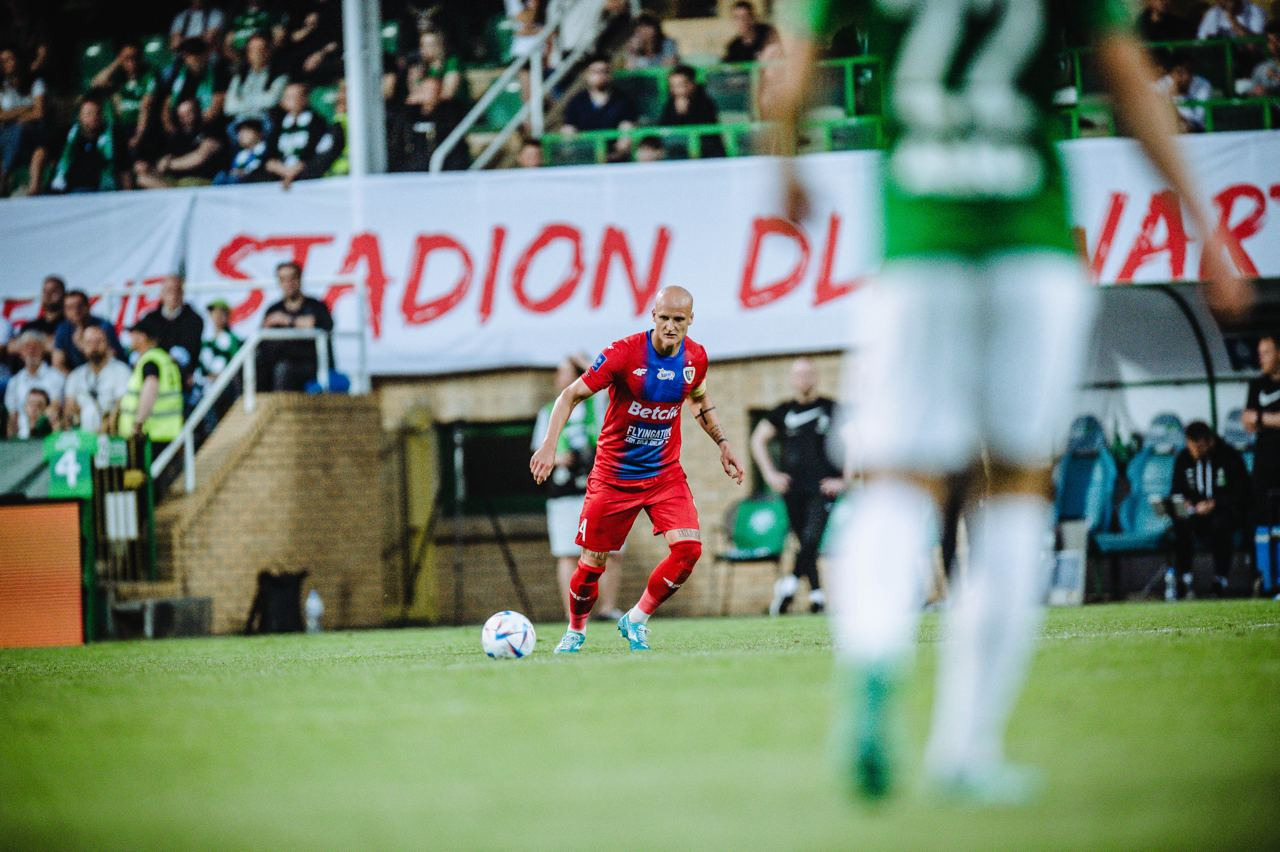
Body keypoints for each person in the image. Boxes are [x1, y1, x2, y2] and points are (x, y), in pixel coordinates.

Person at [775, 0, 1251, 803]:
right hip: (1031, 246)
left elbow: (788, 79)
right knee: (1016, 489)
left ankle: (874, 664)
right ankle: (965, 749)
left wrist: (785, 168)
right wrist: (1203, 223)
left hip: (920, 246)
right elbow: (1128, 81)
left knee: (896, 480)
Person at [530, 286, 745, 654]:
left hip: (664, 474)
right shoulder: (623, 354)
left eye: (679, 319)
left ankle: (636, 619)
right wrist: (549, 445)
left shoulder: (695, 358)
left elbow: (698, 400)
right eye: (665, 318)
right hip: (613, 476)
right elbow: (570, 395)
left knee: (689, 550)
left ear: (691, 320)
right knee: (592, 564)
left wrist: (723, 443)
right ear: (653, 316)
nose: (671, 326)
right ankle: (576, 629)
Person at [533, 354, 625, 623]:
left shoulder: (598, 404)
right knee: (567, 553)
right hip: (564, 492)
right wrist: (559, 458)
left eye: (564, 371)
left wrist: (586, 365)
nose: (558, 378)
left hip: (600, 488)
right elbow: (538, 452)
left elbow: (613, 386)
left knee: (609, 550)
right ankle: (573, 613)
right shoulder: (548, 411)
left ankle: (608, 608)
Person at [751, 358, 844, 616]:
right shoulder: (783, 411)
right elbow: (758, 440)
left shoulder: (831, 408)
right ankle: (817, 596)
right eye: (799, 374)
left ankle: (789, 585)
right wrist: (770, 474)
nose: (804, 379)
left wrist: (844, 479)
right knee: (804, 542)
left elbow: (855, 441)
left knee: (812, 538)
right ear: (793, 379)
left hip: (823, 488)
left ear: (815, 377)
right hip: (792, 489)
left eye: (808, 373)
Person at [1169, 421, 1249, 599]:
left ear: (1209, 441)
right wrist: (1185, 503)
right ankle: (1184, 579)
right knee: (1179, 524)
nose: (1195, 452)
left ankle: (1220, 580)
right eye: (1191, 446)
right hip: (1195, 514)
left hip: (1222, 512)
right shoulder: (1183, 458)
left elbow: (1242, 492)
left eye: (1199, 447)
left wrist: (1214, 503)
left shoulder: (1229, 457)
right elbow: (1176, 489)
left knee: (1221, 524)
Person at [257, 261, 334, 392]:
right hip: (278, 363)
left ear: (300, 279)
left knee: (283, 370)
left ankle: (281, 404)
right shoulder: (273, 309)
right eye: (283, 279)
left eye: (292, 278)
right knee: (249, 368)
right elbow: (262, 341)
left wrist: (287, 320)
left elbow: (325, 325)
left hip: (310, 365)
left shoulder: (316, 306)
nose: (288, 283)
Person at [1243, 334, 1280, 598]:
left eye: (1266, 352)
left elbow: (1255, 418)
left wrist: (1259, 417)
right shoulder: (1257, 385)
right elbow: (1247, 421)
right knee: (1259, 518)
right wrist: (1269, 418)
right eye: (1260, 353)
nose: (1261, 358)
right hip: (1264, 463)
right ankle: (1265, 578)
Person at [88, 41, 157, 174]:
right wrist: (117, 63)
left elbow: (146, 106)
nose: (132, 62)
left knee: (142, 168)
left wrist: (138, 135)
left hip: (142, 127)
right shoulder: (117, 78)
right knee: (121, 170)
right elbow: (95, 84)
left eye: (135, 57)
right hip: (120, 129)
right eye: (127, 58)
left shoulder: (149, 74)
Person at [117, 324, 184, 455]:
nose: (130, 339)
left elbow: (151, 388)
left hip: (152, 435)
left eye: (133, 335)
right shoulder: (164, 358)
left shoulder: (150, 361)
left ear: (142, 337)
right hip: (167, 431)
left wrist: (138, 422)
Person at [265, 82, 344, 189]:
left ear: (305, 99)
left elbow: (315, 152)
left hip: (305, 174)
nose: (293, 100)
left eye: (296, 96)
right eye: (288, 97)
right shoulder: (278, 124)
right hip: (280, 174)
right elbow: (269, 155)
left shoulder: (317, 122)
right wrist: (283, 171)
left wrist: (294, 171)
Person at [132, 274, 205, 388]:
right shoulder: (150, 318)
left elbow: (184, 354)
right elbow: (137, 345)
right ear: (162, 293)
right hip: (148, 371)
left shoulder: (194, 320)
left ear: (183, 293)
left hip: (179, 378)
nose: (173, 295)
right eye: (169, 290)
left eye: (177, 290)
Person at [135, 98, 225, 188]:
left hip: (200, 180)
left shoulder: (212, 130)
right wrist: (149, 168)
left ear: (198, 111)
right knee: (142, 178)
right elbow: (163, 163)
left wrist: (169, 164)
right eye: (181, 115)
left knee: (187, 183)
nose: (185, 118)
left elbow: (199, 157)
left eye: (189, 113)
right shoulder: (178, 136)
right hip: (175, 180)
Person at [561, 56, 638, 162]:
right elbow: (568, 133)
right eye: (595, 72)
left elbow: (626, 133)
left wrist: (613, 156)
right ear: (586, 75)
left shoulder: (623, 100)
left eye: (605, 71)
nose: (601, 76)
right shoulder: (576, 102)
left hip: (615, 161)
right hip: (584, 160)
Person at [62, 325, 132, 434]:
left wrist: (108, 428)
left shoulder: (121, 371)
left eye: (99, 341)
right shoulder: (75, 376)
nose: (94, 346)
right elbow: (69, 408)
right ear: (82, 346)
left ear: (107, 344)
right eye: (89, 342)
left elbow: (122, 404)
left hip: (113, 435)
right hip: (83, 437)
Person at [48, 96, 122, 194]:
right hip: (65, 191)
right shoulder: (65, 134)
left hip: (102, 192)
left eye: (97, 113)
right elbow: (41, 154)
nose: (94, 117)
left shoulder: (113, 137)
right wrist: (35, 185)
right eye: (89, 114)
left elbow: (124, 169)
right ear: (80, 116)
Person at [0, 45, 46, 197]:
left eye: (10, 59)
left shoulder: (35, 83)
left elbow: (39, 113)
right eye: (3, 61)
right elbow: (0, 116)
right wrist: (26, 108)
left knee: (20, 128)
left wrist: (12, 117)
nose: (7, 63)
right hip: (7, 132)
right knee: (14, 130)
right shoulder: (2, 87)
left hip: (32, 132)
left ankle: (5, 174)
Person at [658, 64, 726, 158]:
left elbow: (705, 134)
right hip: (676, 152)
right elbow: (664, 127)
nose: (676, 90)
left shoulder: (705, 102)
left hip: (707, 153)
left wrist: (684, 113)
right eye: (673, 86)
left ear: (691, 84)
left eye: (680, 85)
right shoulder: (670, 103)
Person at [5, 332, 64, 438]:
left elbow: (55, 407)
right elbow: (12, 416)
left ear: (42, 350)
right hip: (21, 438)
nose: (31, 351)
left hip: (48, 436)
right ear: (21, 353)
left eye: (35, 347)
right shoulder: (14, 382)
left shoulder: (56, 377)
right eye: (26, 347)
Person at [225, 32, 288, 126]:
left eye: (261, 49)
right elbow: (229, 107)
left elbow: (272, 101)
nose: (257, 54)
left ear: (269, 51)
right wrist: (259, 101)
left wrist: (242, 101)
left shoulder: (279, 73)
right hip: (241, 123)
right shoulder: (240, 75)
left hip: (265, 122)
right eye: (252, 50)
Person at [53, 289, 124, 371]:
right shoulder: (63, 329)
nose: (75, 311)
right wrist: (75, 378)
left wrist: (85, 347)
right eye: (70, 308)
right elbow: (57, 363)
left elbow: (112, 357)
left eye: (79, 306)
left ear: (88, 306)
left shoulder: (104, 326)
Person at [1155, 53, 1213, 132]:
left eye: (1189, 71)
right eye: (1180, 72)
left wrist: (1176, 97)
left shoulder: (1203, 85)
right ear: (1171, 74)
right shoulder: (1160, 86)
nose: (1186, 77)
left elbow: (1197, 119)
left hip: (1196, 130)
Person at [215, 116, 270, 184]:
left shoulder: (268, 151)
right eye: (239, 132)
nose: (241, 135)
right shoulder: (239, 154)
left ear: (259, 133)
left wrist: (245, 173)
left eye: (246, 130)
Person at [1248, 19, 1280, 96]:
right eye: (1269, 41)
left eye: (1277, 39)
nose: (1273, 44)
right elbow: (1252, 94)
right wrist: (1255, 93)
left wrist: (1271, 90)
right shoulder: (1261, 69)